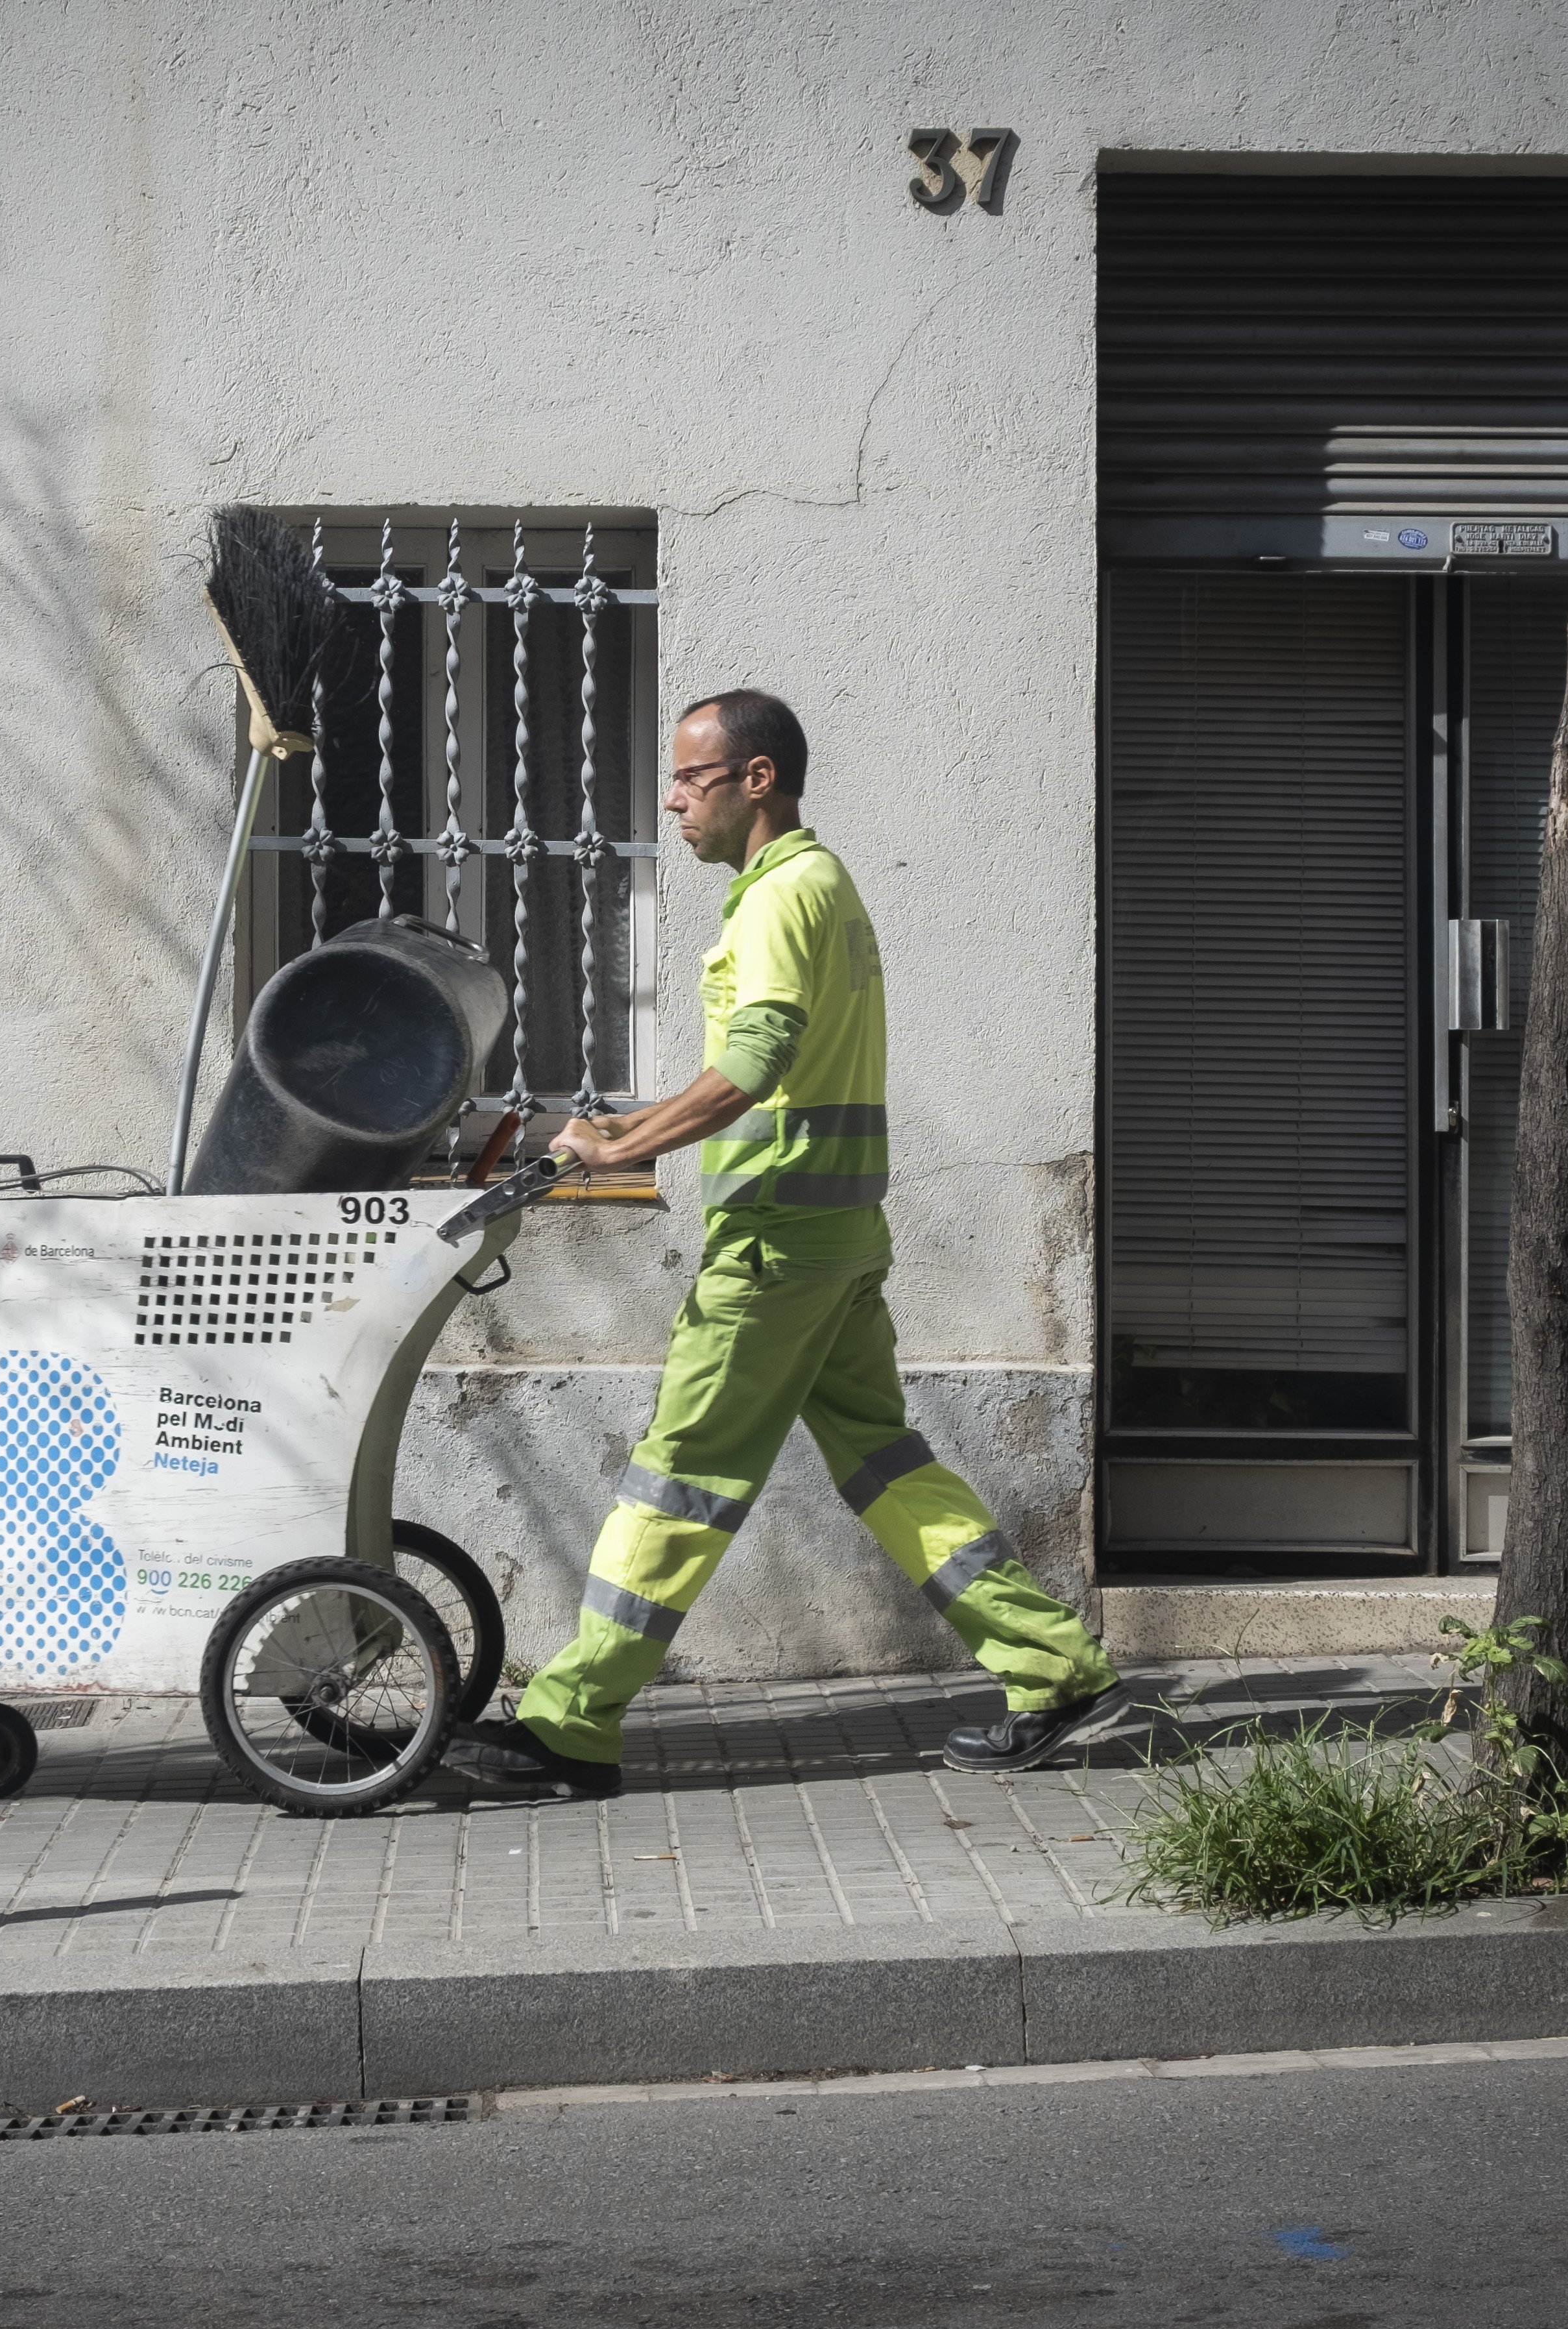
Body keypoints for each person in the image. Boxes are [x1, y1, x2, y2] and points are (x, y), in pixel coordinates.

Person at [446, 689, 1124, 1799]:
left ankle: (572, 1723)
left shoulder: (777, 902)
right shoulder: (823, 886)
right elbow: (776, 1075)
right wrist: (625, 1125)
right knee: (885, 1461)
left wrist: (624, 1153)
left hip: (774, 1246)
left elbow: (753, 1068)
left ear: (757, 780)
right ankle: (1052, 1664)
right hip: (837, 1233)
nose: (672, 801)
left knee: (681, 1476)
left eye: (690, 779)